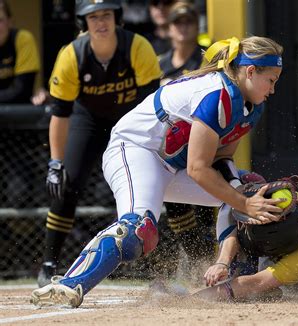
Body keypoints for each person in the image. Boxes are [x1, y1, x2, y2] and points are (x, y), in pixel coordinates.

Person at [30, 35, 284, 308]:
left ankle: (236, 276)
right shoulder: (217, 94)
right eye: (270, 80)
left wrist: (243, 195)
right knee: (138, 231)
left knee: (250, 186)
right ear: (250, 71)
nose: (272, 89)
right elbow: (198, 168)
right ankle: (67, 285)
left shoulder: (250, 106)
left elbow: (222, 157)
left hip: (171, 165)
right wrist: (243, 202)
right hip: (135, 151)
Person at [36, 0, 161, 287]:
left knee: (161, 178)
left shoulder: (137, 47)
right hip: (89, 120)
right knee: (67, 183)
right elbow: (60, 114)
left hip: (131, 121)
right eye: (93, 17)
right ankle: (48, 263)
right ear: (84, 23)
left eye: (106, 15)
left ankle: (176, 262)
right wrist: (55, 163)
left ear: (117, 17)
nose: (100, 22)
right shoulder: (72, 54)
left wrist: (160, 151)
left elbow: (153, 106)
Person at [148, 1, 215, 282]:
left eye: (188, 21)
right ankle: (197, 264)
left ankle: (213, 263)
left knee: (206, 212)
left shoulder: (204, 61)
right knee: (177, 211)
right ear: (169, 27)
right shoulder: (160, 62)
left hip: (202, 145)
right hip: (169, 149)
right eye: (178, 22)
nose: (183, 27)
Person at [0, 0, 40, 103]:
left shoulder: (23, 39)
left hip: (19, 113)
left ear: (9, 22)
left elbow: (22, 91)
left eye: (0, 20)